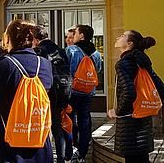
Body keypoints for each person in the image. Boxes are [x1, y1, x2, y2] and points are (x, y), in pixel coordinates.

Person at [0, 19, 53, 163]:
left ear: (8, 38)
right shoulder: (45, 64)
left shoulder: (0, 65)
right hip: (38, 143)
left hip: (6, 144)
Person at [107, 30, 164, 163]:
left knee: (132, 158)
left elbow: (128, 92)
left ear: (129, 43)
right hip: (143, 116)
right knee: (142, 157)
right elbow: (160, 86)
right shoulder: (142, 61)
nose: (117, 37)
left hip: (129, 120)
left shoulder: (123, 64)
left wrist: (117, 111)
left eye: (122, 36)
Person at [32, 25, 73, 163]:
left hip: (49, 91)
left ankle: (46, 157)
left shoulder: (39, 51)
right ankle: (64, 156)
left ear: (36, 39)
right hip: (64, 90)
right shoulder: (60, 49)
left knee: (46, 125)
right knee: (59, 125)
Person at [65, 24, 102, 163]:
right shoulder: (96, 53)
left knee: (70, 119)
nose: (73, 36)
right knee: (84, 120)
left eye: (75, 33)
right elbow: (97, 70)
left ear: (81, 36)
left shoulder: (71, 50)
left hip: (73, 91)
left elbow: (66, 70)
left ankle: (73, 148)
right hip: (88, 91)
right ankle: (83, 152)